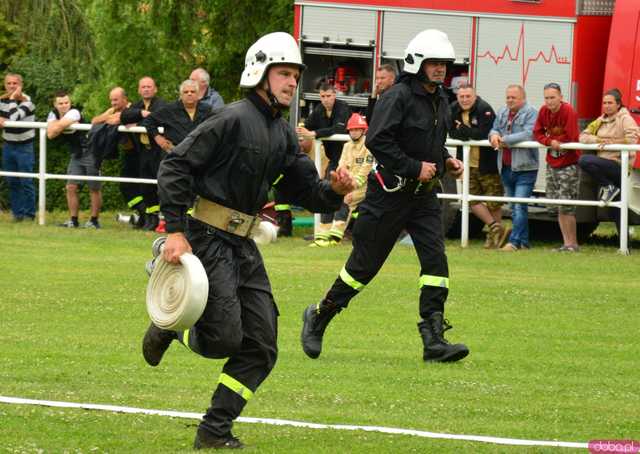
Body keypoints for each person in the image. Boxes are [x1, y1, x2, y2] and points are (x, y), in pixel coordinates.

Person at [141, 32, 355, 449]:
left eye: (296, 75)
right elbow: (175, 168)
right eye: (284, 73)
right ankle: (171, 321)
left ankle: (213, 430)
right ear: (260, 72)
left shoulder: (283, 134)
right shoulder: (230, 119)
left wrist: (334, 190)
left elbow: (305, 192)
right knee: (222, 338)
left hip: (243, 245)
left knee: (262, 346)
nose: (293, 82)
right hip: (204, 236)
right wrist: (175, 230)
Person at [301, 29, 469, 364]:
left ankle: (433, 339)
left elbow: (432, 142)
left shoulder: (440, 100)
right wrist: (412, 167)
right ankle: (320, 315)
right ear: (417, 63)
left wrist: (445, 160)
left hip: (423, 198)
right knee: (362, 268)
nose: (440, 69)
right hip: (387, 196)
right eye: (434, 63)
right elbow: (378, 140)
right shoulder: (398, 97)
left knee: (436, 263)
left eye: (444, 64)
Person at [449, 83, 504, 249]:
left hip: (487, 163)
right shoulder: (453, 108)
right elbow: (451, 132)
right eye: (461, 97)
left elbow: (483, 133)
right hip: (466, 163)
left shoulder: (484, 108)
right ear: (457, 97)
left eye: (468, 96)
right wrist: (466, 131)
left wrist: (463, 129)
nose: (464, 100)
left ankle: (495, 237)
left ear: (475, 96)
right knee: (471, 199)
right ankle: (495, 227)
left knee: (493, 201)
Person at [296, 83, 352, 242]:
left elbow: (340, 129)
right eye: (322, 96)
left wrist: (313, 133)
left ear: (334, 95)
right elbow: (307, 127)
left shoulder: (343, 107)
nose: (325, 100)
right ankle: (323, 232)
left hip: (349, 159)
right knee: (329, 192)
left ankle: (339, 232)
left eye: (328, 96)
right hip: (334, 159)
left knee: (346, 195)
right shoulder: (319, 110)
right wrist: (300, 133)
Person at [310, 113, 374, 247]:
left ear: (363, 130)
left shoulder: (368, 146)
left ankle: (335, 236)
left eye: (357, 129)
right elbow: (341, 166)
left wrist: (351, 187)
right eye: (352, 130)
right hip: (347, 183)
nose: (354, 132)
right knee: (329, 196)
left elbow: (365, 171)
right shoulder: (347, 146)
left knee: (345, 199)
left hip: (364, 186)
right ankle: (322, 236)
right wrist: (340, 183)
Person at [489, 85, 538, 251]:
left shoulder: (531, 112)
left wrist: (505, 140)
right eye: (508, 97)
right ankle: (523, 243)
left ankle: (514, 242)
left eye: (513, 97)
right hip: (505, 166)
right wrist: (494, 135)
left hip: (525, 167)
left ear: (522, 98)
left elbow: (529, 133)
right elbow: (494, 128)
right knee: (514, 207)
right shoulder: (502, 111)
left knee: (518, 206)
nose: (509, 100)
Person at [533, 83, 581, 252]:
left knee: (566, 205)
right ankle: (566, 243)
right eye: (546, 98)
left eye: (553, 97)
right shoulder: (543, 111)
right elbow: (537, 133)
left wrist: (555, 140)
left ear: (561, 97)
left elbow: (572, 137)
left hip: (568, 163)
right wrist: (550, 141)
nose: (549, 101)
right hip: (551, 162)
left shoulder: (568, 111)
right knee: (556, 205)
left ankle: (572, 243)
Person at [46, 91, 102, 228]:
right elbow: (50, 134)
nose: (64, 105)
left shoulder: (74, 112)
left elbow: (55, 128)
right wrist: (61, 125)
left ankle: (94, 221)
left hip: (91, 151)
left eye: (66, 102)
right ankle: (73, 220)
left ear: (70, 103)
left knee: (94, 188)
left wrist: (58, 125)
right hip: (76, 153)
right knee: (71, 187)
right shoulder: (52, 113)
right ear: (55, 104)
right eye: (60, 103)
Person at [120, 77, 167, 230]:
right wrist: (141, 113)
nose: (146, 89)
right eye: (143, 87)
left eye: (149, 86)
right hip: (143, 152)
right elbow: (124, 116)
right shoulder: (137, 106)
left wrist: (138, 122)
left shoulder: (161, 105)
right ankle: (151, 218)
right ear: (139, 90)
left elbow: (156, 120)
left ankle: (163, 219)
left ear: (155, 89)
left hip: (159, 152)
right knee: (146, 186)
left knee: (159, 184)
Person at [579, 88, 639, 204]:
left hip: (620, 165)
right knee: (615, 212)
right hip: (603, 165)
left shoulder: (625, 119)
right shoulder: (599, 120)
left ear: (618, 105)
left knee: (584, 160)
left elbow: (632, 139)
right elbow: (582, 136)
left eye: (610, 103)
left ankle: (608, 187)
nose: (606, 106)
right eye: (604, 103)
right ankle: (609, 187)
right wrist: (598, 139)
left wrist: (613, 142)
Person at [89, 86, 131, 229]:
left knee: (141, 186)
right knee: (127, 186)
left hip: (141, 152)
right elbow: (95, 120)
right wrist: (107, 117)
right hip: (127, 153)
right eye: (111, 100)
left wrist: (110, 119)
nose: (113, 103)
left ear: (125, 99)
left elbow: (117, 120)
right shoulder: (112, 110)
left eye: (116, 100)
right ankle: (142, 216)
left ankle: (148, 218)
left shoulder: (131, 109)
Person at [0, 73, 36, 222]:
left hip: (24, 147)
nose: (12, 86)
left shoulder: (28, 102)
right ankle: (17, 214)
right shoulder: (2, 101)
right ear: (4, 85)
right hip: (8, 146)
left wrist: (13, 99)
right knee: (12, 181)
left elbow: (14, 118)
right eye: (9, 83)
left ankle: (29, 215)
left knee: (26, 182)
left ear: (21, 85)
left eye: (15, 83)